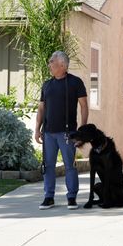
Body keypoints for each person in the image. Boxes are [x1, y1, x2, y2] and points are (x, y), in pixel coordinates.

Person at [35, 51, 89, 210]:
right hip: (48, 133)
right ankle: (48, 197)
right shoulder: (47, 85)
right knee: (48, 165)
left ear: (62, 65)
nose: (49, 64)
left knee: (70, 166)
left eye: (52, 61)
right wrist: (37, 130)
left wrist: (82, 130)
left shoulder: (75, 82)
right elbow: (41, 108)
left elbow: (84, 105)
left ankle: (71, 197)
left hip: (67, 133)